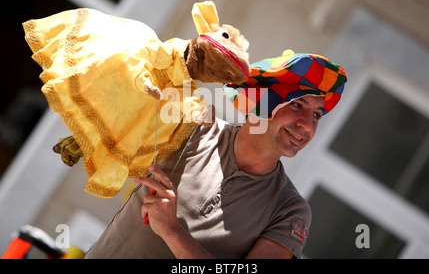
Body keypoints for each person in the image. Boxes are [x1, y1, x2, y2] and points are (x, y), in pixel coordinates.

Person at [84, 50, 347, 259]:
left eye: (316, 115)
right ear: (264, 104)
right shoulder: (193, 128)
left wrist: (173, 231)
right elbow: (125, 101)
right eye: (297, 105)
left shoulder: (290, 210)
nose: (308, 125)